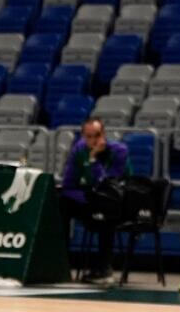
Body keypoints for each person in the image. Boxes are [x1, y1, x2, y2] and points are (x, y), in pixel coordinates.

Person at [59, 117, 132, 283]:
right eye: (89, 136)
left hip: (116, 202)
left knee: (105, 209)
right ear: (83, 136)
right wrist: (87, 199)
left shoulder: (119, 151)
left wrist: (93, 159)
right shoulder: (78, 150)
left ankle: (104, 268)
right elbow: (68, 185)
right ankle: (61, 263)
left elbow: (107, 185)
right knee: (62, 203)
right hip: (90, 200)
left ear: (104, 134)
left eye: (97, 135)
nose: (93, 140)